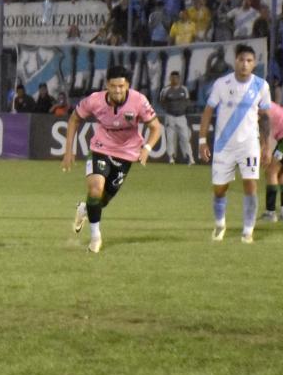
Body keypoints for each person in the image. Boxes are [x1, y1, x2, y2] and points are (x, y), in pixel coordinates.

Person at [62, 65, 162, 253]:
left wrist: (147, 148)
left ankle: (84, 209)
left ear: (128, 86)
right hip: (100, 148)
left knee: (102, 201)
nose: (117, 90)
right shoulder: (94, 100)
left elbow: (156, 127)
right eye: (114, 86)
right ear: (107, 85)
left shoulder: (139, 101)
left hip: (127, 154)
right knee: (95, 189)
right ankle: (95, 238)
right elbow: (74, 119)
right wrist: (69, 151)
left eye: (121, 86)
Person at [198, 44, 271, 244]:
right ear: (235, 61)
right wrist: (203, 140)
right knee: (220, 189)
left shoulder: (261, 86)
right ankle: (220, 224)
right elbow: (208, 111)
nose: (245, 64)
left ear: (254, 63)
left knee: (250, 185)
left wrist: (266, 146)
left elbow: (265, 117)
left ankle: (248, 230)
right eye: (241, 60)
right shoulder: (222, 84)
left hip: (249, 145)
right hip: (223, 145)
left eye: (249, 61)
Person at [158, 71, 195, 165]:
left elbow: (187, 101)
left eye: (176, 78)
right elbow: (162, 101)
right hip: (170, 116)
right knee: (170, 137)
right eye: (172, 78)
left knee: (185, 137)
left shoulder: (184, 89)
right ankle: (171, 157)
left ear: (179, 78)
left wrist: (183, 109)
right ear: (170, 78)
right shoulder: (166, 90)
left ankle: (189, 157)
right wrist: (168, 109)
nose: (174, 79)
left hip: (181, 117)